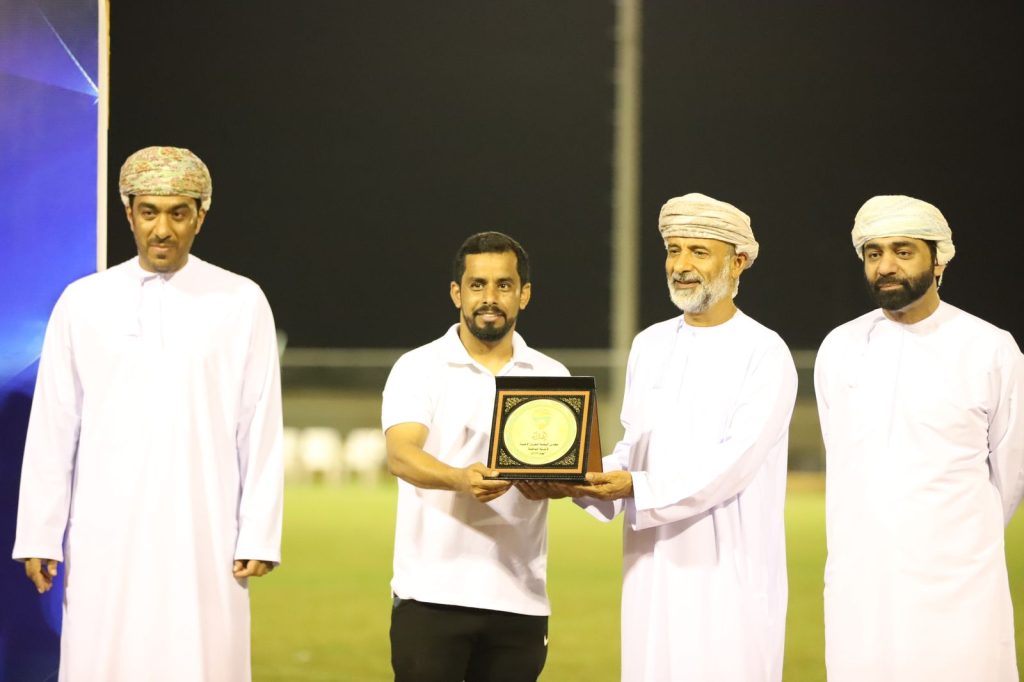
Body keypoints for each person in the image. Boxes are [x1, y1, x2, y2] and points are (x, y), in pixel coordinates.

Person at [12, 146, 284, 681]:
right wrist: (40, 532)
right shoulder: (83, 302)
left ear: (200, 216)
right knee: (102, 655)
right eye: (149, 212)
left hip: (205, 528)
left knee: (202, 657)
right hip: (103, 529)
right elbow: (54, 426)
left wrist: (258, 532)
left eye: (178, 213)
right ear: (128, 213)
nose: (163, 229)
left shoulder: (240, 301)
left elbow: (259, 425)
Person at [531, 193, 796, 681]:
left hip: (729, 574)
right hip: (650, 569)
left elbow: (734, 463)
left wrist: (635, 486)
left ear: (738, 262)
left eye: (699, 251)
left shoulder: (765, 352)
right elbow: (635, 449)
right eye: (674, 250)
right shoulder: (649, 344)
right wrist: (576, 478)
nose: (681, 265)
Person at [815, 195, 1023, 681]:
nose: (886, 266)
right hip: (861, 581)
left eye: (903, 251)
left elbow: (1010, 474)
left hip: (959, 585)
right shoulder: (840, 348)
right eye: (874, 253)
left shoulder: (989, 348)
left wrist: (951, 537)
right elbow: (844, 462)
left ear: (939, 259)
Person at [382, 231, 569, 682]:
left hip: (520, 597)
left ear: (524, 294)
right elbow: (401, 454)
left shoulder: (552, 375)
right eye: (477, 284)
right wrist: (460, 479)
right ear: (456, 293)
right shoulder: (419, 367)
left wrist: (559, 485)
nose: (490, 297)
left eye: (504, 285)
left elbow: (568, 470)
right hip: (431, 595)